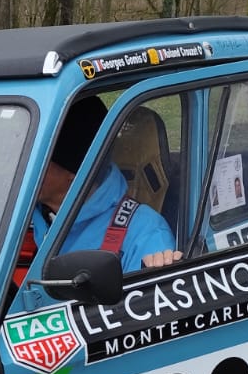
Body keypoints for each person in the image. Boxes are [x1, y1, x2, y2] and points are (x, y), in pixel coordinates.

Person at [31, 95, 180, 272]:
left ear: (75, 174)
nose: (26, 168)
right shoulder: (24, 216)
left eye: (40, 160)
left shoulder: (147, 234)